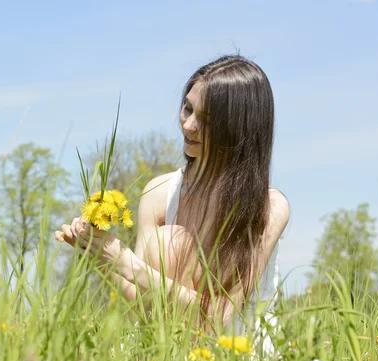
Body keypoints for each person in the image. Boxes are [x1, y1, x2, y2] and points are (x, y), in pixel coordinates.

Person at [54, 55, 289, 342]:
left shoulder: (268, 207)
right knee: (167, 242)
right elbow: (141, 304)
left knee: (169, 240)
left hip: (239, 357)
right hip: (174, 351)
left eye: (207, 119)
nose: (189, 125)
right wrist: (100, 255)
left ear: (238, 129)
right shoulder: (159, 193)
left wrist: (124, 261)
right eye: (187, 108)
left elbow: (220, 316)